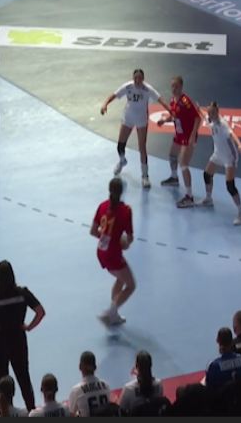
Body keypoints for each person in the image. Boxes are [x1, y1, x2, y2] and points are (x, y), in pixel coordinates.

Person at [0, 260, 46, 412]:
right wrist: (29, 327)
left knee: (1, 382)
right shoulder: (23, 293)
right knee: (24, 378)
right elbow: (40, 312)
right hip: (18, 340)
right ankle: (31, 411)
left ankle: (5, 412)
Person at [100, 69, 174, 188]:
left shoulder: (148, 89)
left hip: (141, 120)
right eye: (136, 78)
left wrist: (170, 110)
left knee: (142, 147)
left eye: (140, 78)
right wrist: (105, 104)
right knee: (120, 145)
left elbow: (161, 100)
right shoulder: (128, 86)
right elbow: (113, 95)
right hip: (128, 118)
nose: (137, 80)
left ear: (143, 79)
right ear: (133, 78)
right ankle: (122, 161)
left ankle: (145, 176)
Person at [90, 177, 134, 325]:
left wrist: (106, 237)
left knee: (120, 278)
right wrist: (124, 243)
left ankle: (113, 314)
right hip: (113, 254)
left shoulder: (102, 206)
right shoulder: (126, 210)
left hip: (101, 252)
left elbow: (93, 231)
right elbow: (129, 238)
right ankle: (110, 312)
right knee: (131, 285)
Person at [157, 76, 205, 207]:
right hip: (179, 134)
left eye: (176, 86)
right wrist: (164, 120)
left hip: (188, 136)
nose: (174, 88)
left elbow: (198, 119)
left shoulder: (186, 101)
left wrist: (192, 136)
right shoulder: (173, 100)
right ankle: (174, 178)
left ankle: (189, 196)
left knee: (183, 164)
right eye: (172, 86)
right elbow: (174, 115)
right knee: (172, 155)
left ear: (181, 87)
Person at [201, 102, 241, 225]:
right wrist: (198, 108)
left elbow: (232, 134)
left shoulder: (222, 124)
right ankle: (209, 199)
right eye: (209, 112)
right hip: (217, 154)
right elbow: (203, 114)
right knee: (207, 174)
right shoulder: (210, 119)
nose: (210, 114)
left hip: (229, 156)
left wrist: (239, 145)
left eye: (213, 112)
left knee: (230, 186)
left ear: (217, 112)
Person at [117, 350, 163, 415]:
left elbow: (121, 411)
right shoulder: (159, 384)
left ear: (136, 366)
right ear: (151, 365)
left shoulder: (129, 389)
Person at [67, 351, 112, 417]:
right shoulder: (106, 386)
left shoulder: (76, 390)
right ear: (95, 367)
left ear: (79, 367)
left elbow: (71, 415)